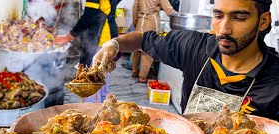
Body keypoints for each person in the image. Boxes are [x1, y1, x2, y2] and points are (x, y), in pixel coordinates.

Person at [93, 0, 279, 120]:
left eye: (238, 18)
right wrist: (114, 44)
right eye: (218, 16)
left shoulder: (274, 78)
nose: (223, 30)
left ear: (263, 21)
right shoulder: (193, 47)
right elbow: (142, 39)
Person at [54, 0, 121, 102]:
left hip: (98, 39)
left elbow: (88, 17)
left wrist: (67, 38)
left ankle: (91, 109)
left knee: (91, 79)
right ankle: (103, 106)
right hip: (110, 38)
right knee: (103, 76)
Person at [132, 0, 177, 83]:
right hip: (151, 22)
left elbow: (135, 8)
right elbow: (169, 10)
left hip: (140, 21)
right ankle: (142, 76)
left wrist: (135, 22)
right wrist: (179, 16)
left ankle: (134, 71)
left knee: (137, 48)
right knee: (148, 51)